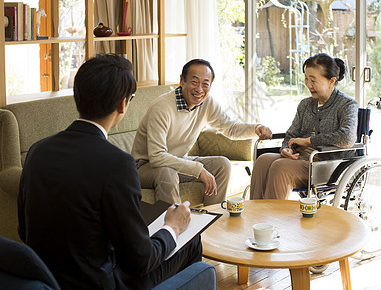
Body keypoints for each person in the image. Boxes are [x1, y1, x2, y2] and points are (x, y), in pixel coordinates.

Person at [18, 54, 202, 290]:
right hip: (99, 284)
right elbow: (140, 261)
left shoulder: (37, 151)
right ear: (122, 104)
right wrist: (172, 227)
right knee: (191, 241)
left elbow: (24, 230)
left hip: (45, 278)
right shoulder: (117, 163)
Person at [131, 59, 272, 206]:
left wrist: (256, 128)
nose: (199, 89)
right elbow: (156, 157)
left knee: (222, 165)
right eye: (194, 82)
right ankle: (172, 226)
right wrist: (198, 170)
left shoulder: (206, 103)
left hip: (176, 160)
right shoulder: (162, 107)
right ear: (182, 81)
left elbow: (231, 128)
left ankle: (211, 219)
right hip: (144, 166)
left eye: (205, 84)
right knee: (167, 173)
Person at [250, 53, 358, 200]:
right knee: (263, 160)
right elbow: (290, 134)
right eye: (306, 78)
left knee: (280, 167)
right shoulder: (306, 104)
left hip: (326, 166)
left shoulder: (347, 105)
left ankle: (274, 220)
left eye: (313, 80)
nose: (308, 84)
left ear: (331, 81)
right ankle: (256, 216)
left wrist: (309, 141)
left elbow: (347, 138)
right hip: (301, 159)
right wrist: (286, 149)